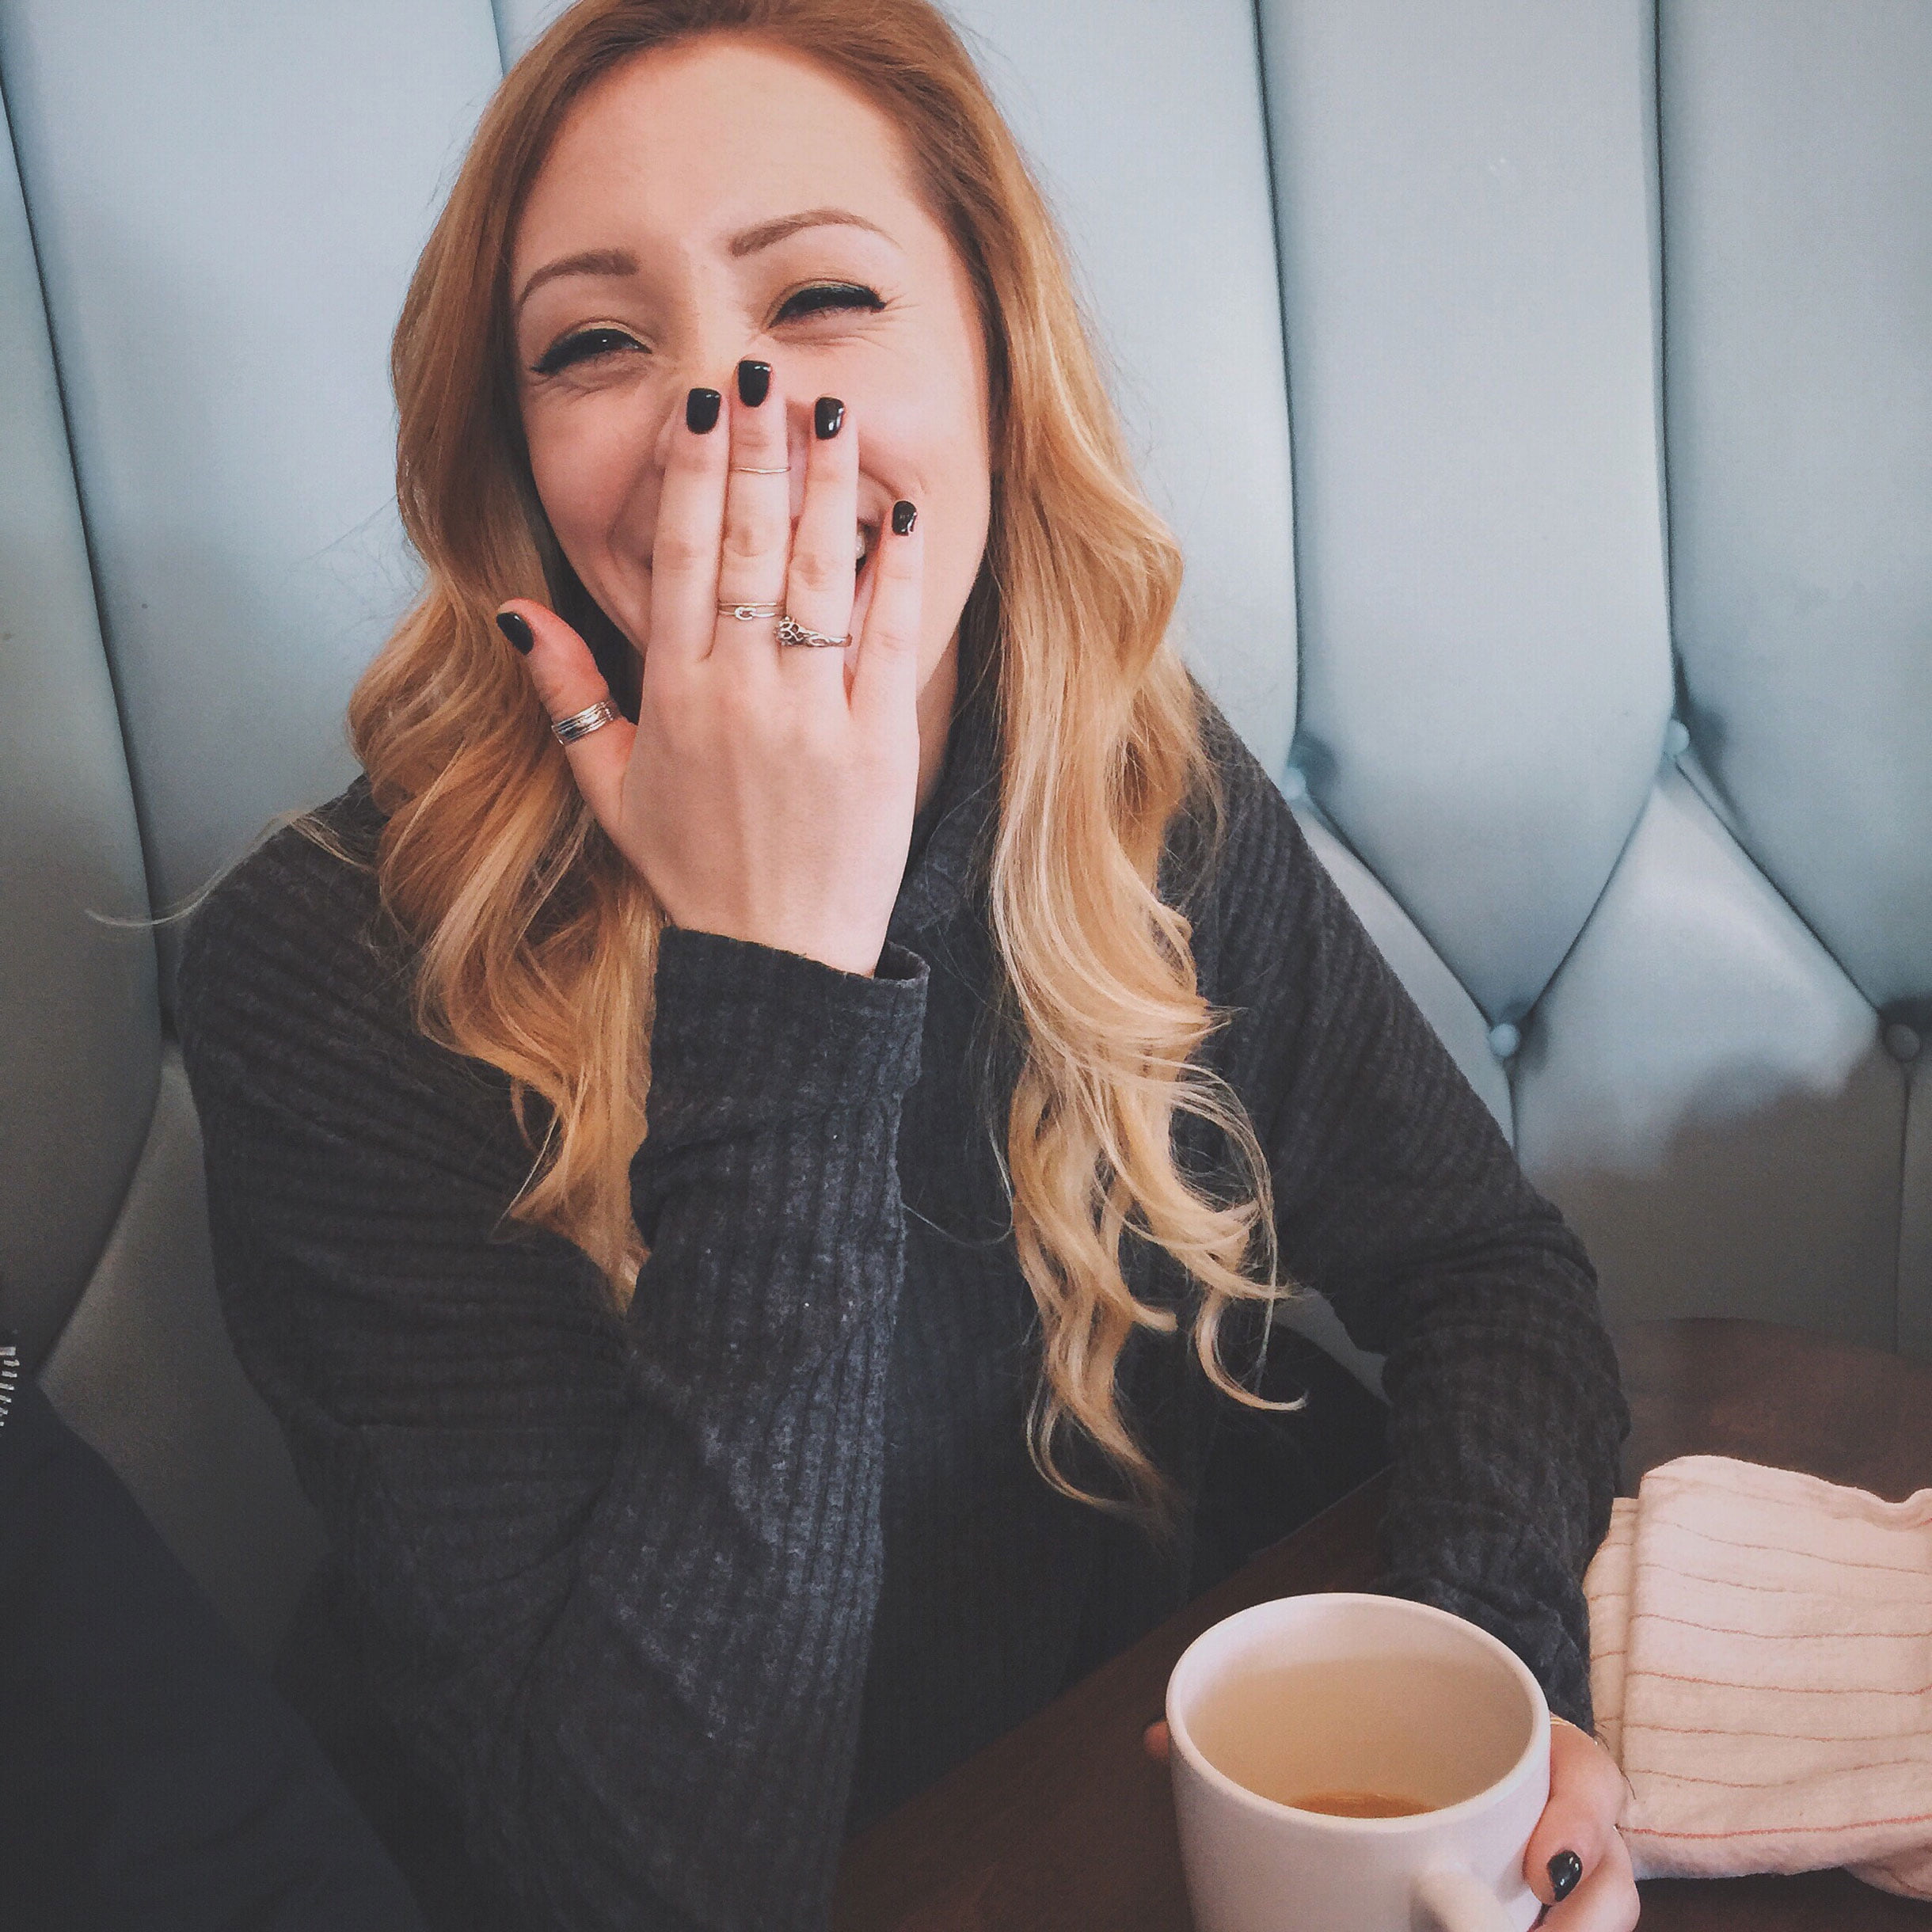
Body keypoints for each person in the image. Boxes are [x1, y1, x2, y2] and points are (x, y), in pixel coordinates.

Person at [175, 2, 1636, 1926]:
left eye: (826, 298)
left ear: (999, 368)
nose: (741, 411)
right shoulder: (333, 964)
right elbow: (654, 1877)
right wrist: (772, 965)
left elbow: (1484, 1272)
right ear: (521, 465)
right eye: (600, 342)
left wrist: (1488, 1687)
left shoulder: (1122, 769)